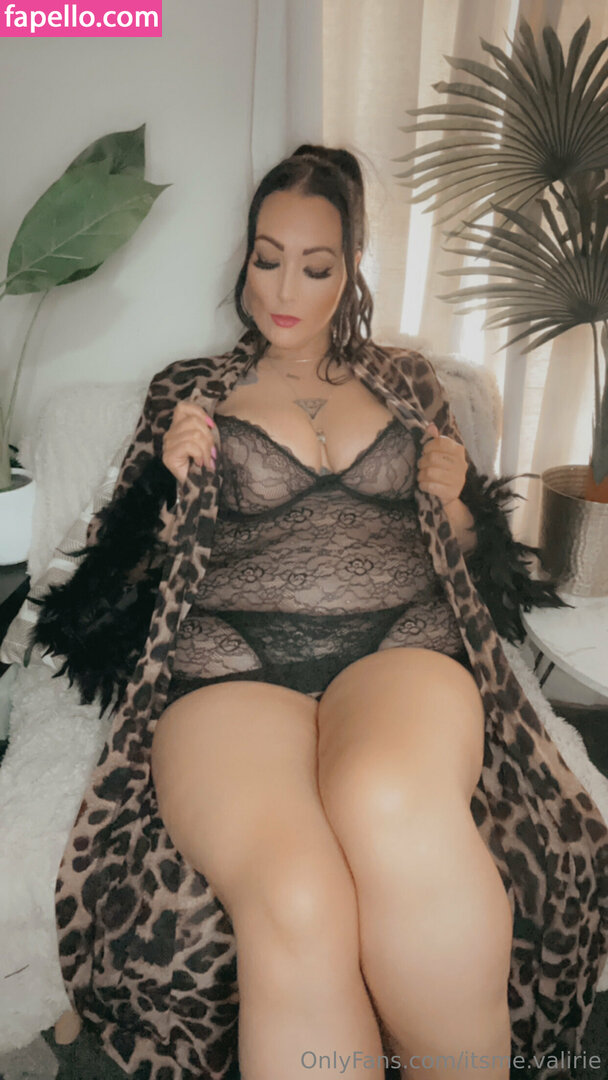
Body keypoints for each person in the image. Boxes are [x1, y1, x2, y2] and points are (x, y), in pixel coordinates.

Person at [38, 145, 607, 1080]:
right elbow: (105, 595)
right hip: (228, 668)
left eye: (315, 265)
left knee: (389, 800)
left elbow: (483, 571)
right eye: (267, 259)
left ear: (351, 270)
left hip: (400, 649)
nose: (283, 290)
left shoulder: (410, 384)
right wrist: (165, 489)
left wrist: (459, 501)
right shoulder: (187, 391)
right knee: (296, 891)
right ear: (246, 256)